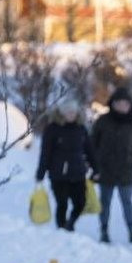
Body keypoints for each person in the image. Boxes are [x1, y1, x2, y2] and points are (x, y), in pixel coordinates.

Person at [91, 87, 132, 243]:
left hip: (126, 169)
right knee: (105, 202)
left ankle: (131, 230)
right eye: (119, 103)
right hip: (105, 168)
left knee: (127, 201)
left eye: (125, 103)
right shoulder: (102, 121)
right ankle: (104, 231)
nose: (122, 106)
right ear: (113, 104)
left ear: (130, 105)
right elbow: (92, 143)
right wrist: (95, 163)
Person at [35, 98, 97, 232]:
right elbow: (45, 153)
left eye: (73, 112)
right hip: (58, 175)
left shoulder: (81, 129)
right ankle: (61, 229)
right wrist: (41, 172)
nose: (71, 114)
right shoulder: (52, 129)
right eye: (68, 112)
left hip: (78, 173)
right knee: (62, 204)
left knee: (80, 203)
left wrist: (96, 168)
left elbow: (89, 150)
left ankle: (70, 224)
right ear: (61, 113)